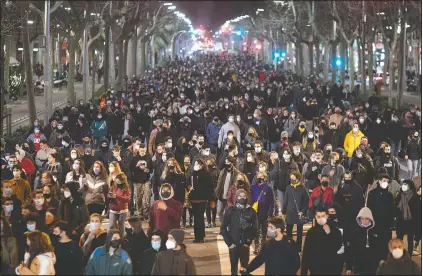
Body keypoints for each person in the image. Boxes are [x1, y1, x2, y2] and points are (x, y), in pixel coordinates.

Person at [221, 189, 258, 275]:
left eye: (244, 196)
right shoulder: (230, 211)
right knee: (234, 269)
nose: (242, 198)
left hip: (245, 245)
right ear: (236, 198)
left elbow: (255, 228)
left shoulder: (251, 211)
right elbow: (223, 228)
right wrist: (229, 243)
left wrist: (248, 242)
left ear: (247, 198)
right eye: (239, 196)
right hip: (233, 244)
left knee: (244, 269)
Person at [301, 206, 342, 275]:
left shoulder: (335, 230)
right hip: (316, 270)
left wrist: (329, 234)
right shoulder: (311, 232)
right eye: (318, 216)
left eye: (323, 216)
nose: (321, 218)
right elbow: (306, 252)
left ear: (327, 216)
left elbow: (337, 246)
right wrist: (303, 272)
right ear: (315, 217)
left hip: (332, 268)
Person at [282, 171, 309, 252]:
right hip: (290, 212)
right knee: (289, 231)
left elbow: (306, 201)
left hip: (299, 213)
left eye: (294, 178)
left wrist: (303, 211)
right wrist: (283, 211)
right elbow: (285, 200)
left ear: (298, 178)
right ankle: (289, 247)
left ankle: (298, 248)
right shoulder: (288, 187)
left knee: (299, 232)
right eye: (291, 178)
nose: (292, 180)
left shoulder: (302, 188)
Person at [189, 159, 214, 243]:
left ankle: (201, 236)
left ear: (202, 165)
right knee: (196, 218)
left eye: (198, 164)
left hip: (202, 199)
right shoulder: (192, 174)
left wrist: (211, 200)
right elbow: (188, 182)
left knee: (200, 218)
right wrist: (189, 188)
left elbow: (210, 187)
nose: (196, 165)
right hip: (193, 199)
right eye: (195, 163)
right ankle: (197, 237)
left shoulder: (206, 175)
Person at [251, 172, 275, 254]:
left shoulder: (268, 187)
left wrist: (270, 212)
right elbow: (251, 199)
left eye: (261, 177)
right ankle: (257, 246)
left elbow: (272, 201)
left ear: (265, 178)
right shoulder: (253, 187)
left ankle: (263, 246)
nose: (259, 178)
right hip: (255, 212)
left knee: (264, 230)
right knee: (256, 230)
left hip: (265, 212)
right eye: (258, 176)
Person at [395, 179, 421, 255]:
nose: (403, 186)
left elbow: (418, 212)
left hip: (411, 222)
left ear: (410, 186)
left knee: (410, 239)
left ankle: (409, 255)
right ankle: (399, 254)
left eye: (405, 185)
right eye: (403, 184)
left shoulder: (415, 197)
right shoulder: (399, 195)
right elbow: (395, 206)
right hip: (401, 221)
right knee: (399, 239)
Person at [108, 172, 130, 237]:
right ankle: (113, 238)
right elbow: (109, 194)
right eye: (117, 180)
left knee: (121, 225)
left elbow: (127, 199)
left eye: (119, 180)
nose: (117, 181)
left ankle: (122, 239)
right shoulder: (113, 186)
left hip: (122, 210)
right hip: (113, 208)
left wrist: (117, 196)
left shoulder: (126, 188)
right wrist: (109, 196)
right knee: (112, 225)